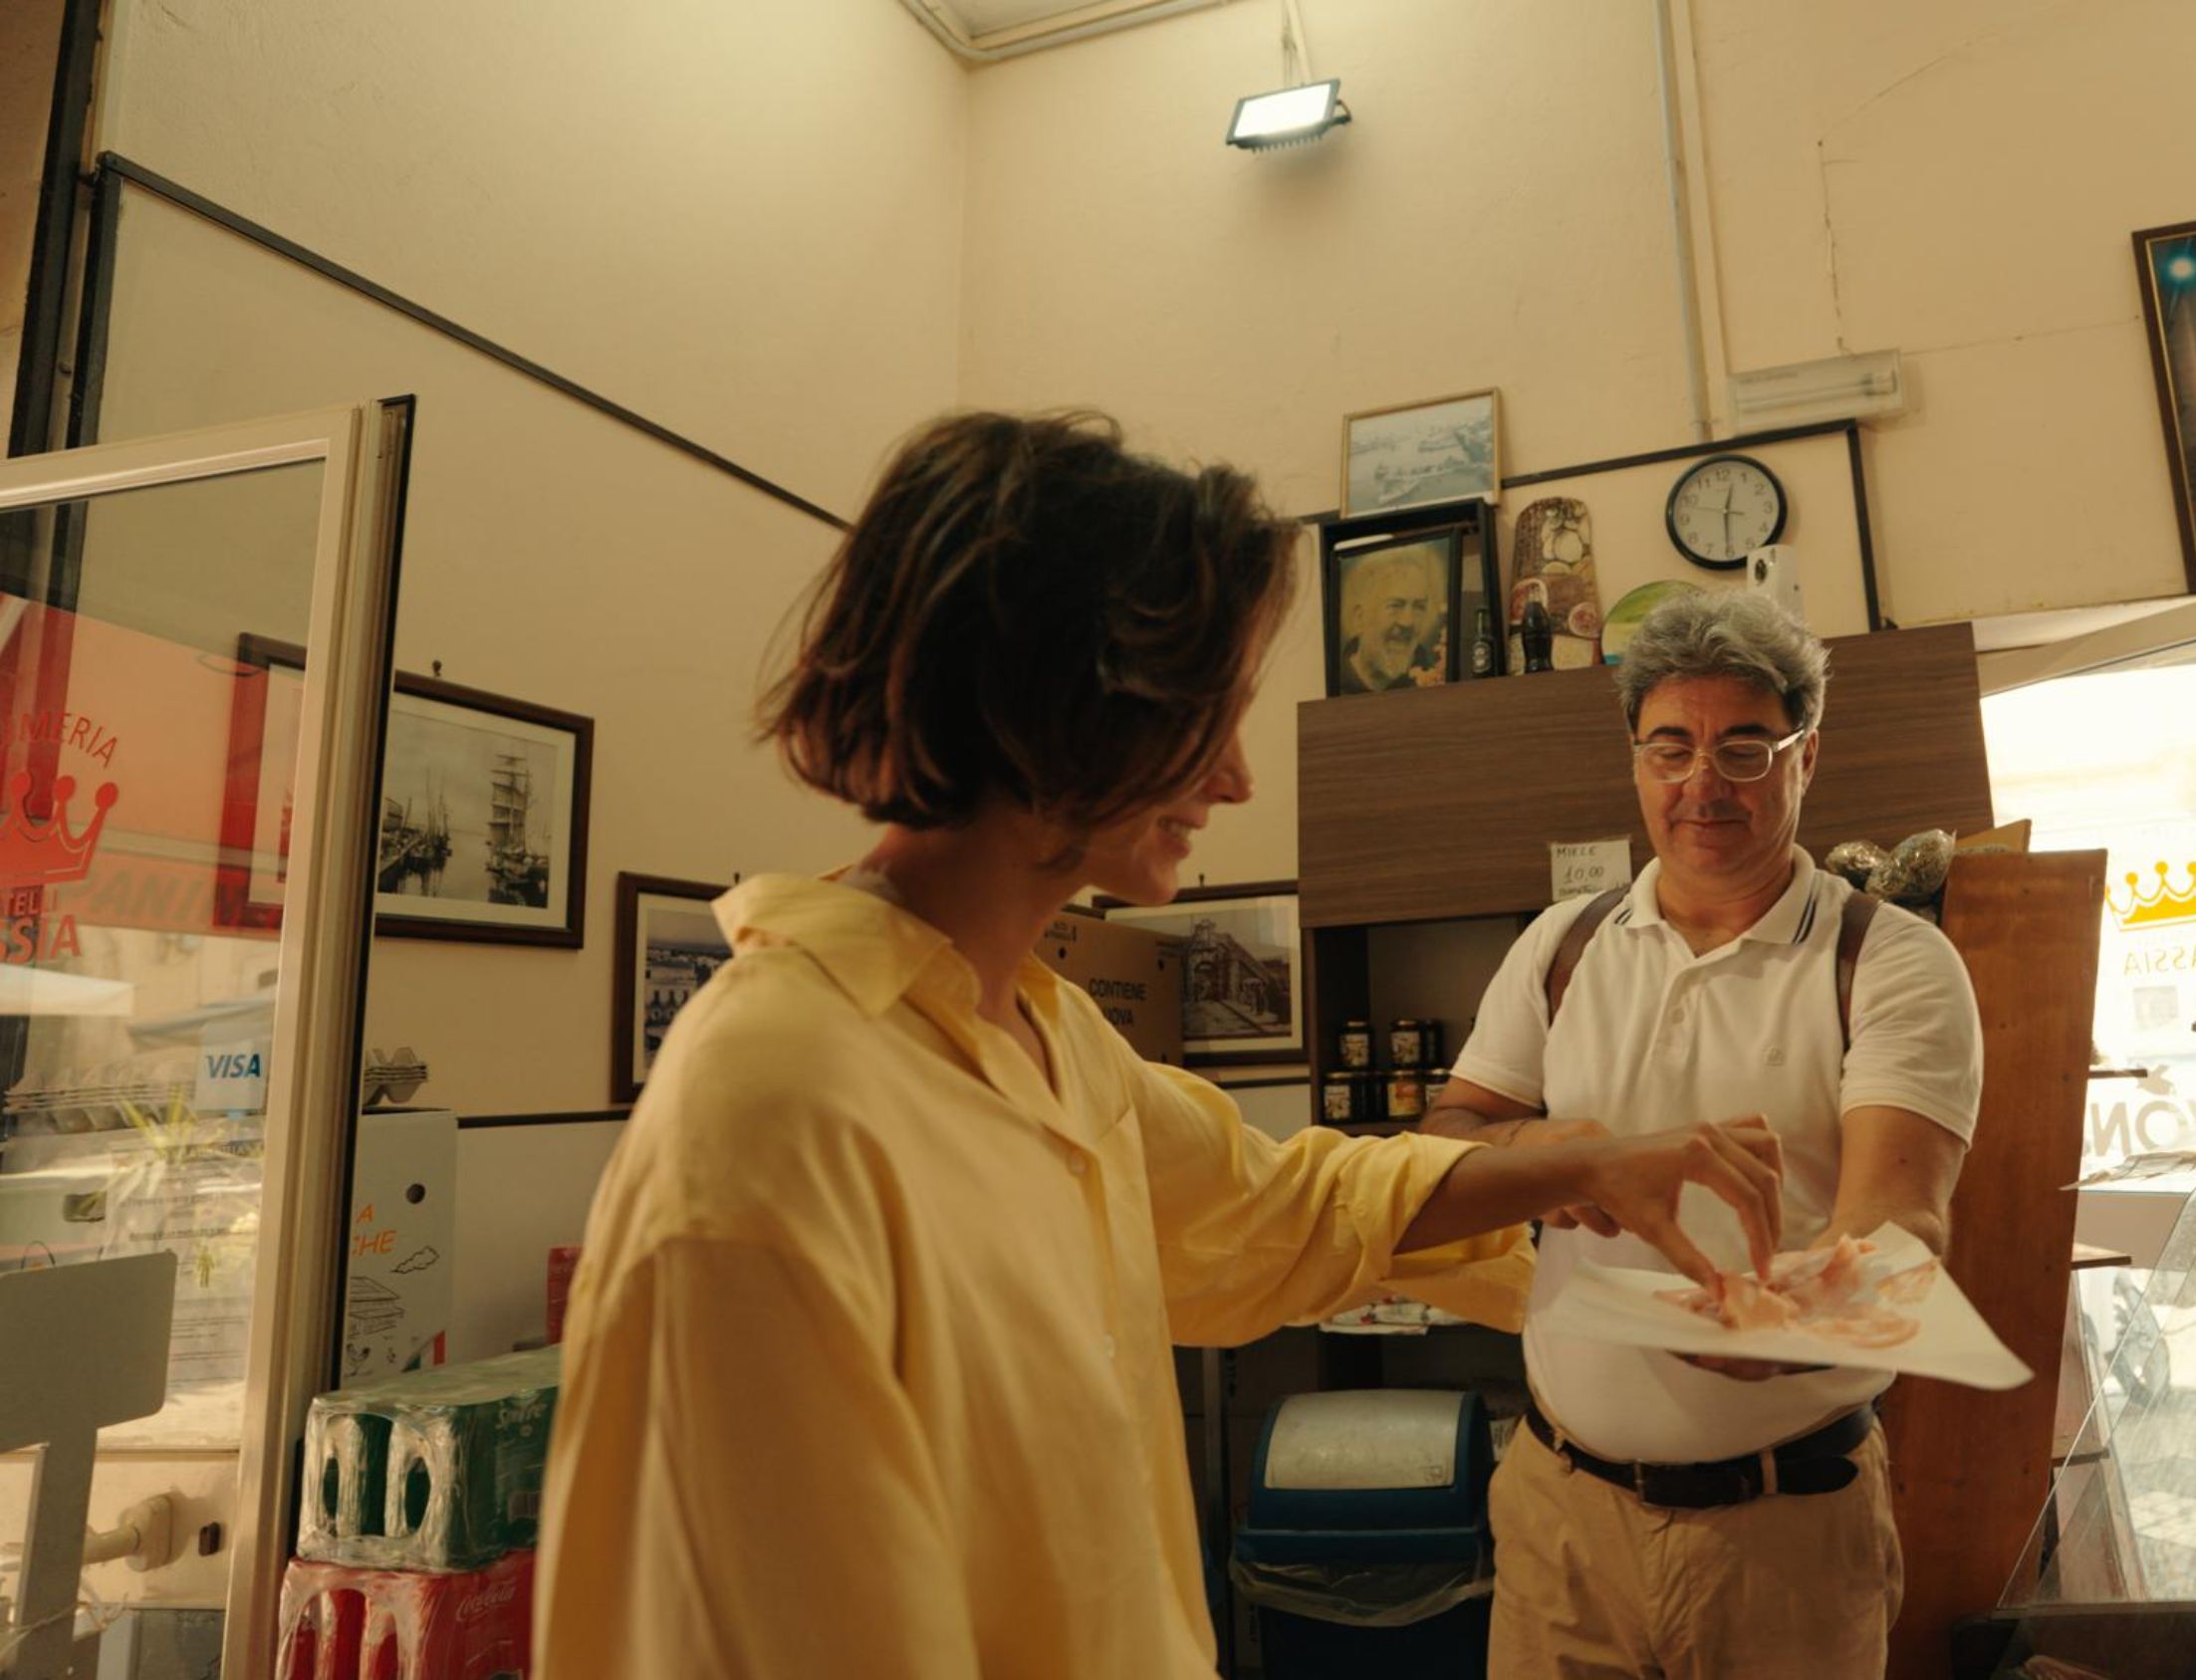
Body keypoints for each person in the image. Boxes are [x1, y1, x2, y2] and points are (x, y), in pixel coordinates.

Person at [531, 411, 1788, 1679]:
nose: (1238, 778)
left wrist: (1583, 1166)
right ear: (1060, 700)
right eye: (1210, 716)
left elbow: (1277, 1206)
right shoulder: (777, 1102)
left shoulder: (1047, 1036)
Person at [1423, 590, 1987, 1680]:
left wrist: (1779, 1318)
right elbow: (1450, 1132)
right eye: (1670, 749)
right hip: (1558, 1513)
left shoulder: (1889, 960)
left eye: (1743, 750)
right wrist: (1547, 1158)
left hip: (1787, 1535)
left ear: (1805, 756)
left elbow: (1901, 1219)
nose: (1701, 786)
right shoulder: (1563, 943)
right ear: (1635, 758)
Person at [1340, 544, 1445, 691]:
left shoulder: (1434, 685)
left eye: (1419, 607)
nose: (1408, 621)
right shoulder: (1333, 685)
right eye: (1395, 606)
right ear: (1360, 618)